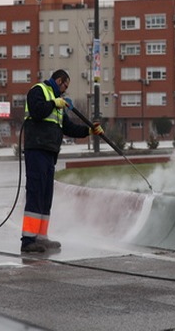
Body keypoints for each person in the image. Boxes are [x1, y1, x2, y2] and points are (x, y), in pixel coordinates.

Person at [21, 69, 103, 253]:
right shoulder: (39, 90)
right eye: (65, 85)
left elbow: (69, 127)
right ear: (59, 81)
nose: (65, 90)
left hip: (50, 152)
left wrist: (88, 131)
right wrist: (53, 103)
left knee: (45, 195)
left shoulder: (58, 103)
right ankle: (28, 240)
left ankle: (41, 237)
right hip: (37, 149)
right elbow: (36, 111)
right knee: (35, 193)